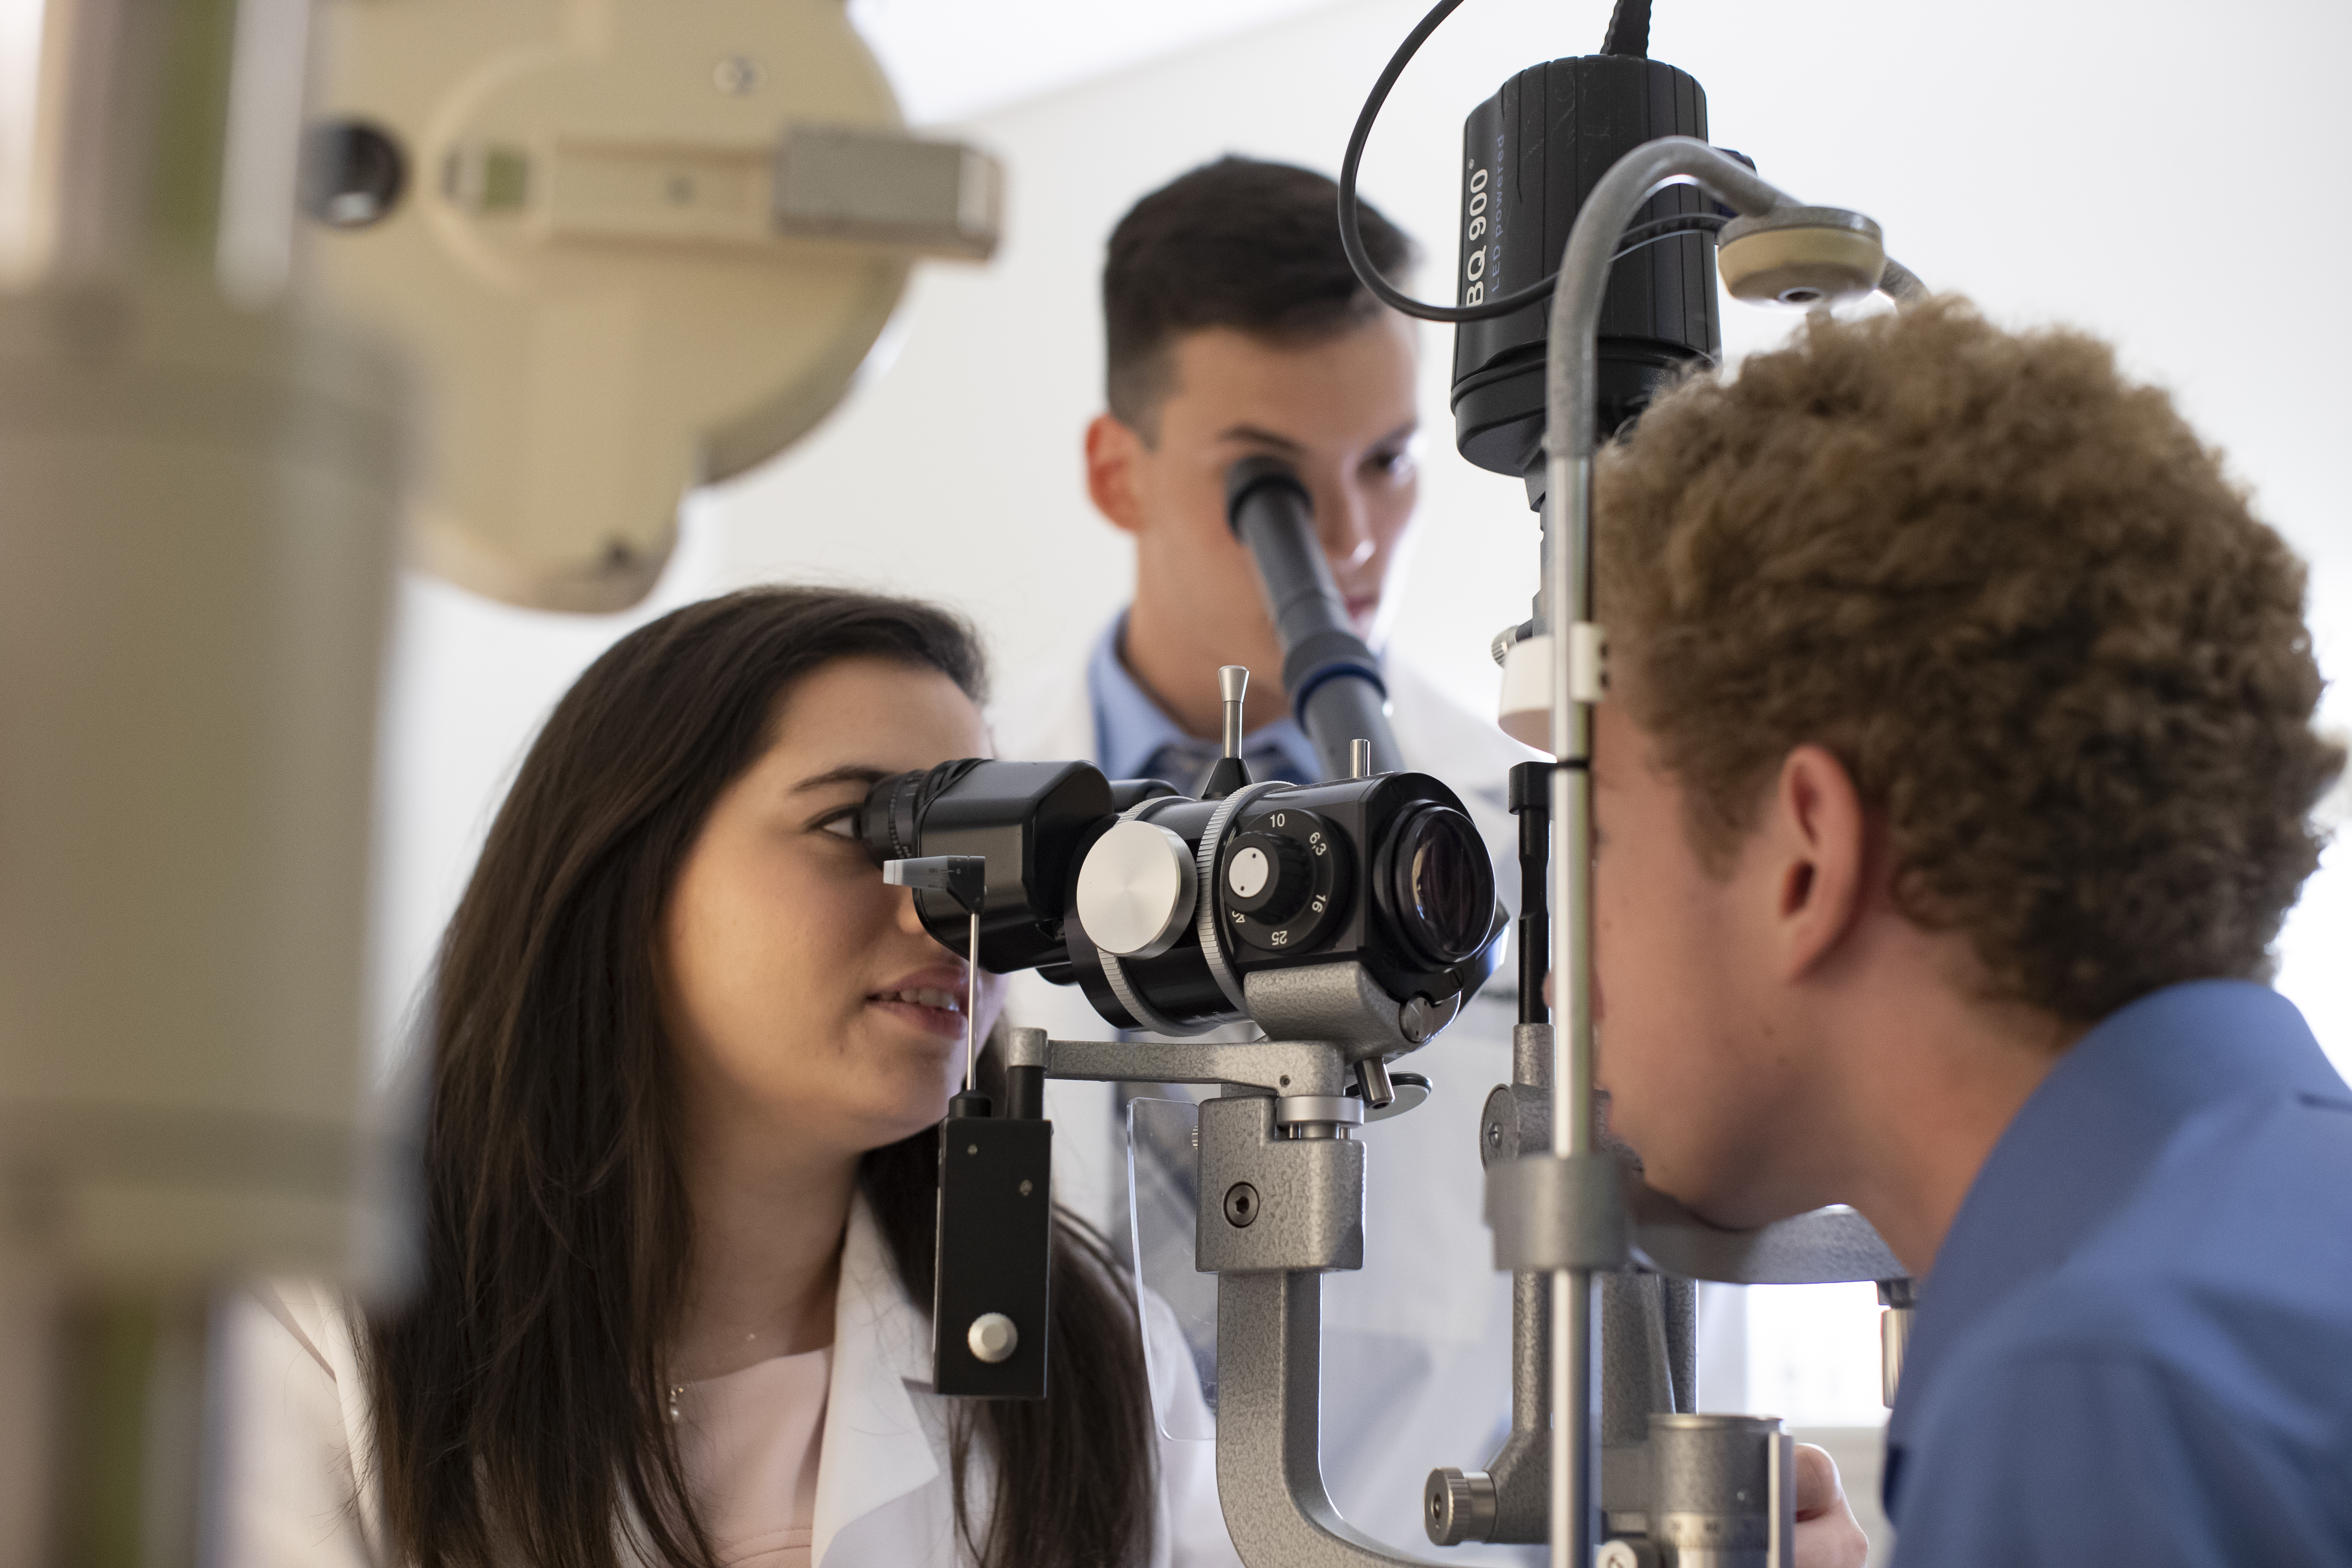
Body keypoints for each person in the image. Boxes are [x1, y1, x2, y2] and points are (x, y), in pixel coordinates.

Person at [217, 588, 1240, 1568]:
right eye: (863, 828)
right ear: (623, 868)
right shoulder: (311, 1330)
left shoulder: (1097, 1357)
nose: (947, 915)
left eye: (981, 849)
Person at [989, 154, 1702, 1558]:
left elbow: (1644, 1325)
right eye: (1266, 482)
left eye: (1387, 463)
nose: (1351, 540)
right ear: (1116, 473)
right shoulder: (960, 832)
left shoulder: (1537, 826)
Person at [1585, 297, 2351, 1563]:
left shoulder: (2097, 1392)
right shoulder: (2271, 1255)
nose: (1570, 948)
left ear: (1805, 863)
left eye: (1605, 833)